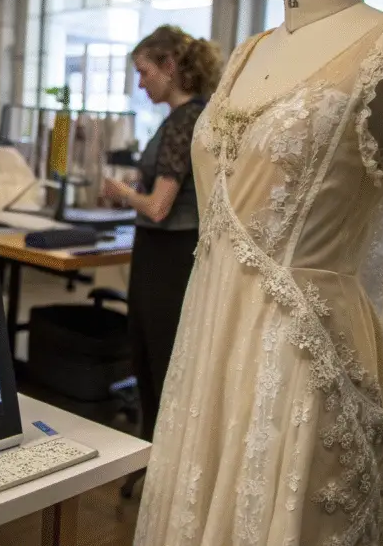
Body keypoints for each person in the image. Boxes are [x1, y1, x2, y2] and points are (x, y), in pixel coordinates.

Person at [101, 26, 222, 455]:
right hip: (171, 252)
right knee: (161, 358)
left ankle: (155, 459)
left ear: (169, 65)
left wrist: (121, 192)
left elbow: (157, 207)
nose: (140, 83)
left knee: (157, 360)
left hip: (166, 256)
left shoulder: (184, 120)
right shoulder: (194, 117)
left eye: (144, 71)